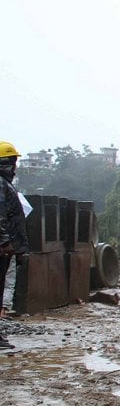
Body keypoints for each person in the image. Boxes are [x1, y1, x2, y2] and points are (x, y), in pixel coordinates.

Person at [0, 141, 30, 344]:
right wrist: (5, 242)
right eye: (13, 162)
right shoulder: (1, 185)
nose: (15, 167)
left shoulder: (5, 184)